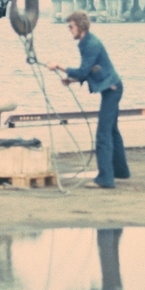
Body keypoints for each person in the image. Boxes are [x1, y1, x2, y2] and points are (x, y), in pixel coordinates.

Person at [47, 10, 130, 188]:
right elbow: (91, 69)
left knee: (103, 134)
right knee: (112, 131)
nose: (69, 30)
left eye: (71, 26)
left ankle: (105, 179)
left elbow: (83, 71)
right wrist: (71, 80)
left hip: (112, 89)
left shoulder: (90, 44)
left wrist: (59, 66)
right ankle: (121, 171)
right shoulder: (86, 42)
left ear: (80, 26)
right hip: (112, 88)